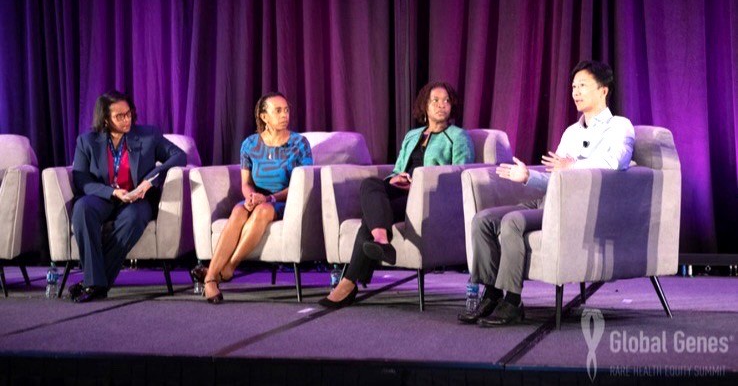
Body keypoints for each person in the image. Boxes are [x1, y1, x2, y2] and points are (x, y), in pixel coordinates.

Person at [458, 60, 635, 326]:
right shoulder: (572, 132)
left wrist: (572, 166)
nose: (576, 92)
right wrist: (528, 176)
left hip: (579, 207)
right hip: (549, 201)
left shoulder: (620, 126)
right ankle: (491, 294)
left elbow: (615, 163)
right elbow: (555, 178)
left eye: (583, 85)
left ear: (603, 90)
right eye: (573, 86)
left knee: (512, 222)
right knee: (482, 220)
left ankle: (512, 302)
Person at [319, 82, 475, 308]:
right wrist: (395, 179)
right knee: (371, 184)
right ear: (425, 105)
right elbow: (397, 168)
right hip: (401, 190)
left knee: (370, 218)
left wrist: (419, 183)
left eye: (446, 101)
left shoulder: (458, 136)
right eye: (435, 100)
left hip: (427, 198)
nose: (442, 105)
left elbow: (460, 175)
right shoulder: (412, 136)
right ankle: (381, 240)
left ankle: (349, 282)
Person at [191, 92, 313, 304]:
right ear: (264, 117)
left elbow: (303, 183)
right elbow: (246, 183)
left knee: (263, 211)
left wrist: (269, 199)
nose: (284, 115)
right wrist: (250, 197)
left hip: (285, 201)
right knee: (239, 210)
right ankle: (211, 277)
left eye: (286, 110)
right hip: (258, 198)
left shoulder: (299, 143)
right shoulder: (249, 144)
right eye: (278, 111)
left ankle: (230, 267)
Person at [70, 90, 186, 303]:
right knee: (82, 208)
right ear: (106, 119)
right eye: (119, 116)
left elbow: (179, 156)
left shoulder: (148, 135)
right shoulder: (86, 141)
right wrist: (112, 192)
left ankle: (93, 282)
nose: (127, 120)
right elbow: (81, 180)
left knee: (134, 218)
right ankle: (96, 282)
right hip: (105, 197)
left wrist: (149, 181)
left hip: (137, 199)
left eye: (128, 113)